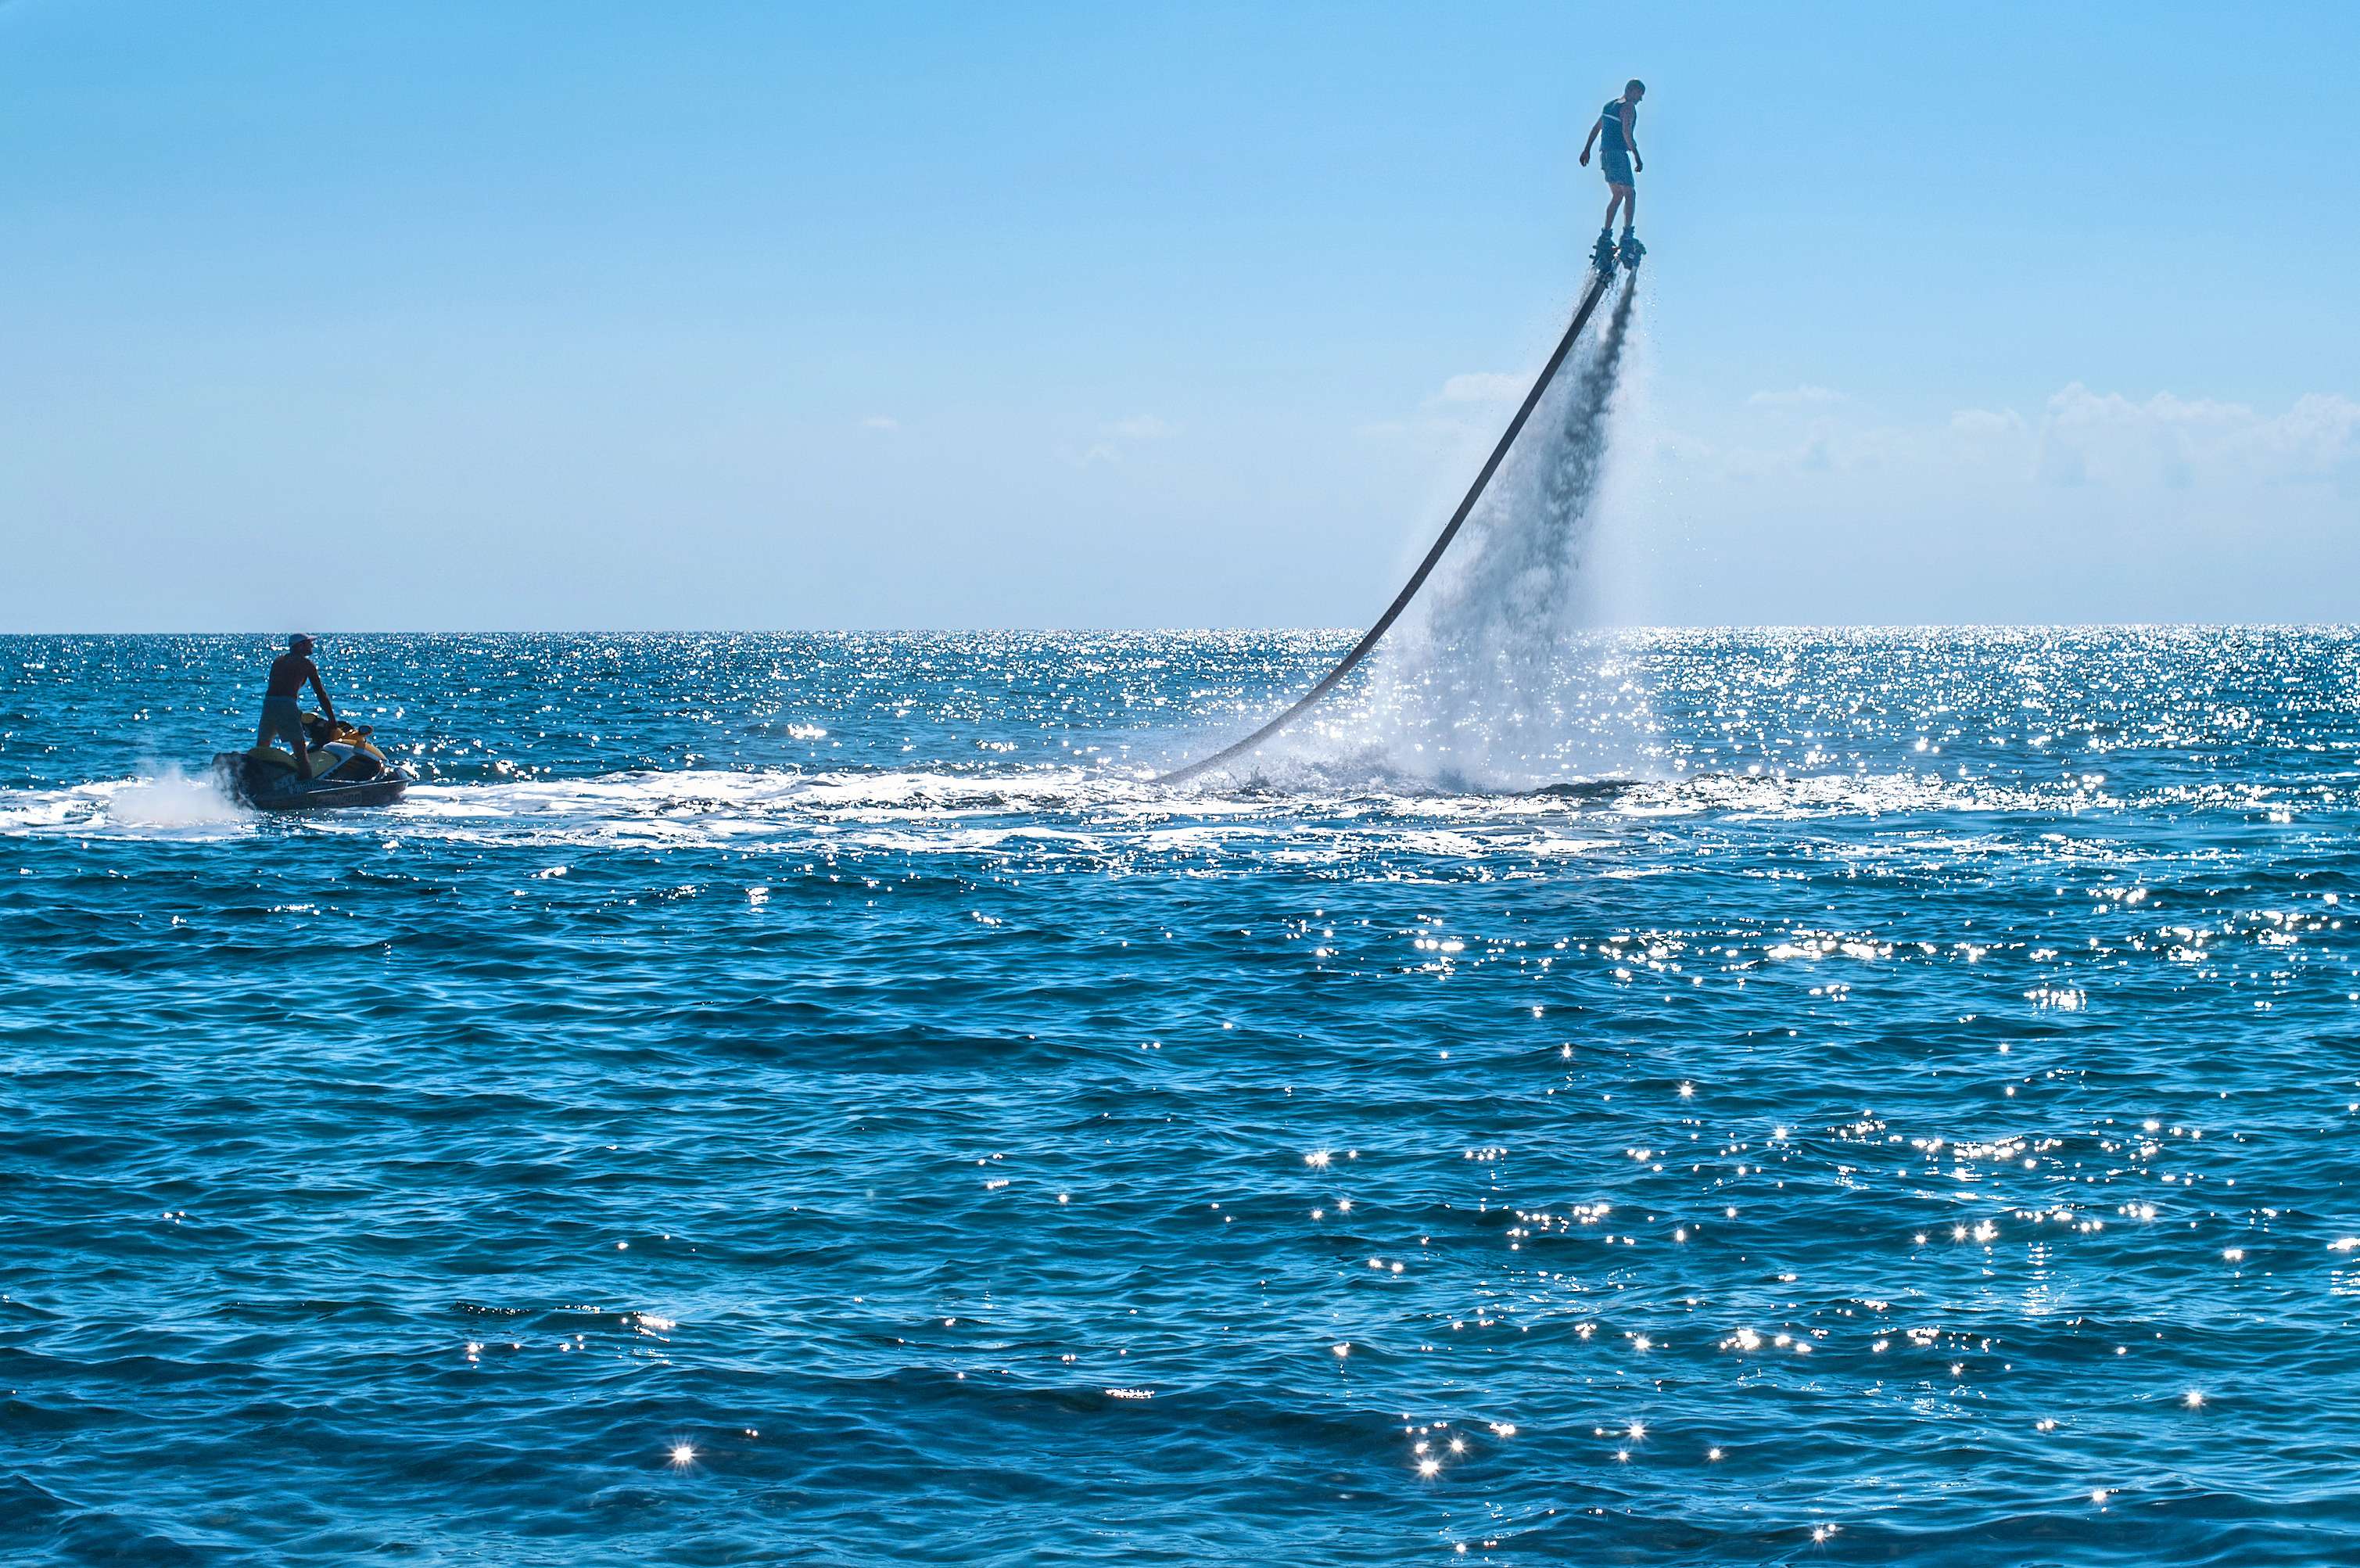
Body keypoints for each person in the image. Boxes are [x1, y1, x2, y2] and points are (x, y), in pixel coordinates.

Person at [1579, 79, 1646, 268]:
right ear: (1632, 91)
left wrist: (1587, 150)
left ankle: (1605, 238)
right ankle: (1626, 237)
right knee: (1630, 194)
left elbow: (1596, 128)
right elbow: (1626, 132)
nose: (1640, 99)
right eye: (1640, 94)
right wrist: (1637, 157)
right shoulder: (1628, 107)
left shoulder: (1609, 106)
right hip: (1618, 154)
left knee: (1617, 195)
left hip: (1605, 155)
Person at [258, 633, 338, 780]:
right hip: (286, 705)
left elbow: (280, 685)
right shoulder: (306, 664)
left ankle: (259, 782)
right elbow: (321, 694)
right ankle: (306, 785)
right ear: (300, 646)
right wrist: (332, 720)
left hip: (269, 704)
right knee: (301, 751)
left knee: (262, 746)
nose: (312, 646)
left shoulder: (278, 661)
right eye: (309, 643)